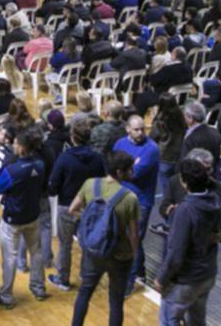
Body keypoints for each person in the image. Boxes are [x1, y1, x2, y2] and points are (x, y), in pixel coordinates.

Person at [68, 150, 140, 326]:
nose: (132, 173)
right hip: (120, 256)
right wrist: (135, 254)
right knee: (116, 301)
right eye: (130, 170)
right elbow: (133, 233)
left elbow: (72, 209)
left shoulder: (90, 184)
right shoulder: (130, 198)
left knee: (85, 292)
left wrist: (91, 223)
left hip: (94, 250)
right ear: (119, 172)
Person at [154, 159, 221, 326]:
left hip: (187, 279)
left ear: (184, 183)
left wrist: (162, 278)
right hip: (208, 274)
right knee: (197, 320)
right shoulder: (217, 201)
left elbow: (176, 253)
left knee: (168, 320)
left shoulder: (185, 211)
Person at [0, 128, 48, 308]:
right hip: (32, 215)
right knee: (36, 252)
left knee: (10, 257)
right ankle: (39, 288)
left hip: (13, 219)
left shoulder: (12, 170)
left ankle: (6, 295)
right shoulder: (40, 164)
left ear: (22, 148)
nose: (13, 145)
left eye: (15, 143)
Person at [49, 119, 106, 291]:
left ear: (73, 137)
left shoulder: (65, 158)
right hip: (89, 206)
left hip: (67, 205)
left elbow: (54, 185)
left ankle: (63, 278)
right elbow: (102, 180)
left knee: (65, 244)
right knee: (87, 243)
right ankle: (86, 275)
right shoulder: (97, 158)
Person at [113, 115, 160, 295]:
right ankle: (140, 271)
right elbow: (114, 167)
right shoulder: (119, 144)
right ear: (127, 129)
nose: (141, 132)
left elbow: (134, 174)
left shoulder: (151, 149)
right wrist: (128, 168)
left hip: (141, 202)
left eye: (143, 129)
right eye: (136, 129)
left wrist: (125, 170)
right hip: (122, 197)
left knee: (131, 241)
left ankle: (129, 282)